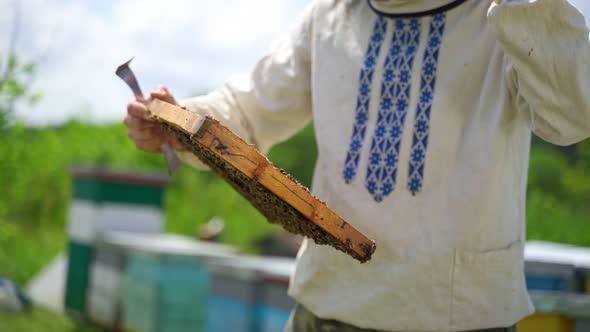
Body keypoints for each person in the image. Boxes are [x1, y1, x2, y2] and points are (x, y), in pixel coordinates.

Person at [124, 0, 590, 331]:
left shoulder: (508, 13)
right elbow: (247, 109)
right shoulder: (330, 15)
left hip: (456, 320)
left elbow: (574, 114)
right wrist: (178, 120)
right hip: (325, 307)